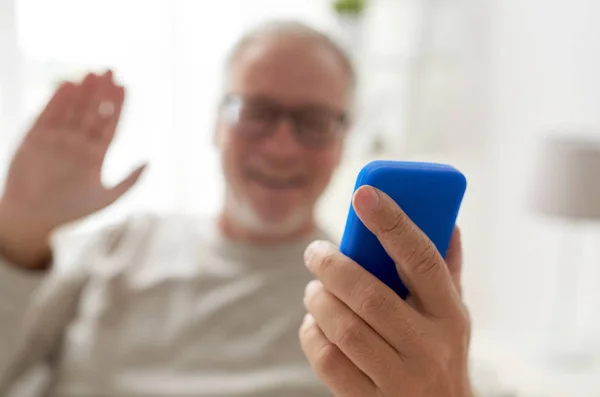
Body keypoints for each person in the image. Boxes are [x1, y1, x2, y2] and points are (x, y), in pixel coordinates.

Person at [0, 21, 474, 397]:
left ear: (342, 140)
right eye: (257, 111)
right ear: (216, 124)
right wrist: (16, 235)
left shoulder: (378, 301)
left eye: (313, 121)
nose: (282, 145)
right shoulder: (117, 245)